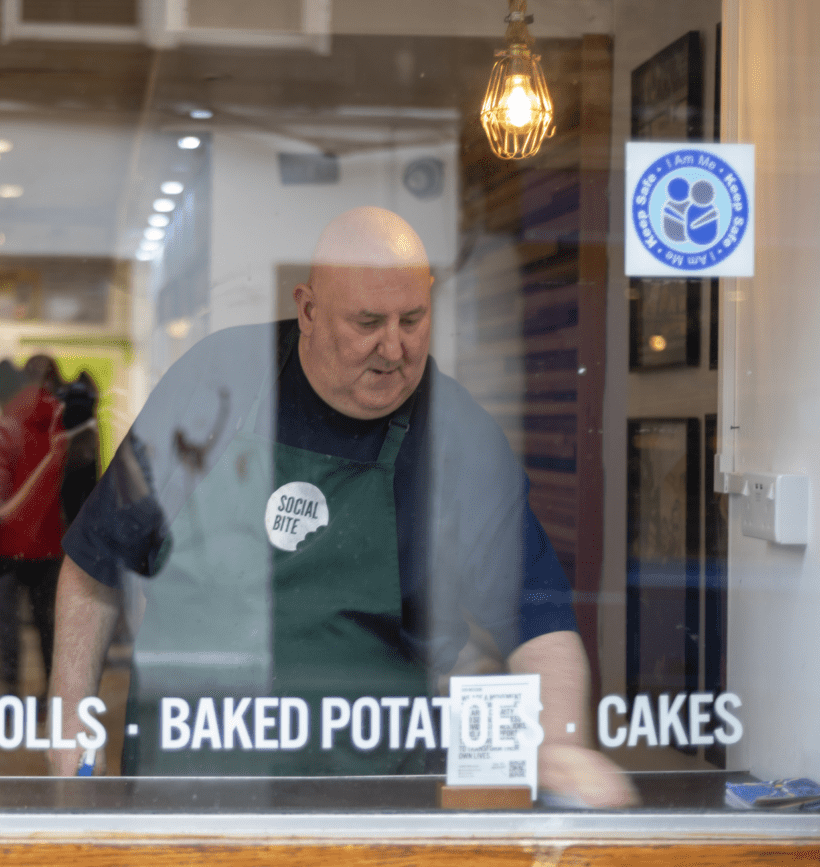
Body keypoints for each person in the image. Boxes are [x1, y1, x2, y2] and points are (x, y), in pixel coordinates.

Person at [47, 207, 635, 806]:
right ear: (307, 309)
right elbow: (95, 566)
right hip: (189, 791)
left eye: (413, 319)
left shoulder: (455, 435)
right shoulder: (216, 381)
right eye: (367, 322)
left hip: (371, 809)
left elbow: (537, 619)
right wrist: (71, 730)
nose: (394, 347)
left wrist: (561, 745)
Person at [0, 355, 98, 697]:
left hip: (12, 542)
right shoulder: (68, 425)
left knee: (7, 628)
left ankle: (9, 699)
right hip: (52, 542)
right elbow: (84, 484)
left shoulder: (8, 427)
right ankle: (54, 698)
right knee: (50, 628)